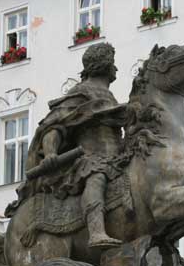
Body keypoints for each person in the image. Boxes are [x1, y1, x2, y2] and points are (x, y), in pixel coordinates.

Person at [13, 42, 129, 248]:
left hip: (117, 157)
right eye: (112, 62)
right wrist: (50, 152)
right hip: (90, 158)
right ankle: (96, 232)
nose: (116, 68)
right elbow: (54, 126)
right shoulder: (81, 92)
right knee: (96, 177)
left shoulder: (108, 95)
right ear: (103, 65)